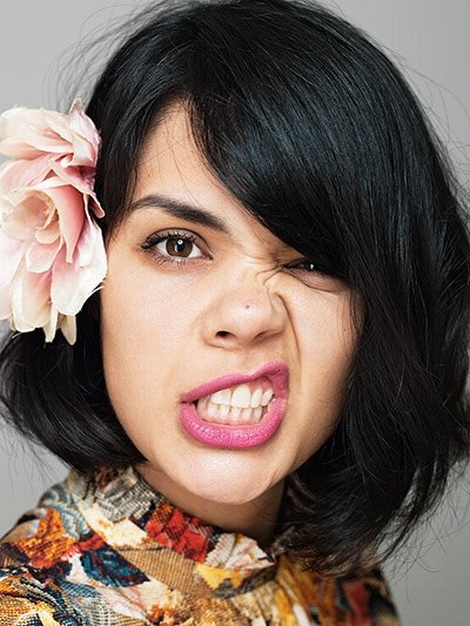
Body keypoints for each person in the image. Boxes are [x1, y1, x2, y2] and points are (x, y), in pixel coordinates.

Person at [0, 0, 468, 623]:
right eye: (177, 245)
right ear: (87, 275)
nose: (247, 315)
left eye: (311, 259)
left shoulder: (338, 568)